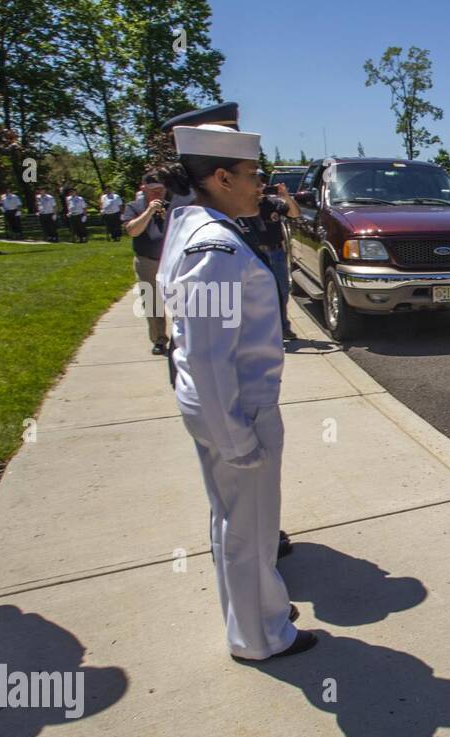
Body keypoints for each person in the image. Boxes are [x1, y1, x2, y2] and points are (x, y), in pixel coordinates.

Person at [156, 119, 316, 663]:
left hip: (223, 407)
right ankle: (260, 636)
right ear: (222, 177)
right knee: (249, 529)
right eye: (253, 174)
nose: (262, 185)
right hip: (237, 410)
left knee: (234, 523)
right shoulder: (217, 248)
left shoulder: (192, 227)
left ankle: (255, 614)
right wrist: (236, 438)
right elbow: (206, 355)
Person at [237, 170, 301, 341]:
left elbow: (295, 213)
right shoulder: (242, 206)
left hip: (277, 253)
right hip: (255, 254)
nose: (260, 187)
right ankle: (262, 329)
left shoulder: (273, 203)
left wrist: (286, 196)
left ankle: (283, 327)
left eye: (262, 183)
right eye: (256, 183)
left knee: (282, 291)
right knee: (258, 294)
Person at [123, 172, 173, 354]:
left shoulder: (174, 207)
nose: (158, 193)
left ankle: (183, 338)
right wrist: (149, 211)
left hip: (171, 260)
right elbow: (133, 231)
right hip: (147, 261)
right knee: (152, 302)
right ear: (143, 188)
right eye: (154, 190)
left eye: (161, 189)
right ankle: (159, 339)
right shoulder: (134, 207)